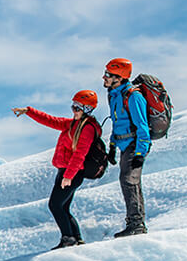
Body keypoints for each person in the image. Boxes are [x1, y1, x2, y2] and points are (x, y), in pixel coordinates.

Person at [12, 90, 102, 249]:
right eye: (73, 105)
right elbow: (51, 121)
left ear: (88, 109)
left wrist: (68, 176)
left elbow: (80, 154)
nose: (74, 109)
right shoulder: (72, 124)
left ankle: (68, 239)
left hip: (72, 173)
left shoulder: (87, 128)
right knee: (63, 207)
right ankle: (76, 239)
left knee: (55, 205)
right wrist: (29, 111)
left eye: (78, 107)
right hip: (65, 172)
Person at [102, 58, 149, 237]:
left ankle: (137, 224)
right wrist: (113, 146)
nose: (104, 78)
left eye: (108, 75)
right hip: (123, 144)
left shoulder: (133, 96)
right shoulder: (114, 94)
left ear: (119, 77)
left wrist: (140, 154)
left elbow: (142, 126)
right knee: (128, 180)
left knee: (129, 180)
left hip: (135, 145)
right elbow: (117, 123)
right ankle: (135, 223)